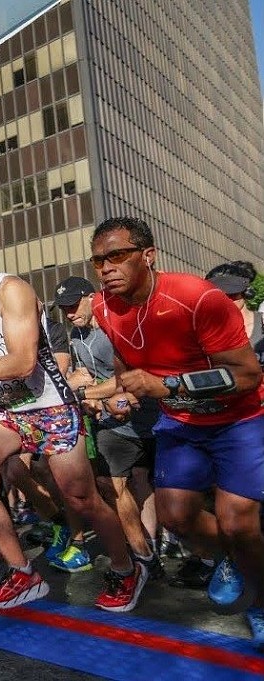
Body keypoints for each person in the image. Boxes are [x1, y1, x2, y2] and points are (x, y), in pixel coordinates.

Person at [0, 226, 144, 612]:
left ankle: (126, 569)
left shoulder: (11, 291)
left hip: (50, 406)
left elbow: (23, 362)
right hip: (6, 410)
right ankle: (22, 572)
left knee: (83, 499)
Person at [89, 217, 264, 650]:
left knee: (237, 522)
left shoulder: (197, 298)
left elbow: (247, 374)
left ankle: (260, 599)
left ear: (148, 256)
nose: (107, 267)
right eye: (99, 260)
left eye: (117, 255)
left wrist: (168, 385)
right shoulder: (102, 307)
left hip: (238, 420)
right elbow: (126, 359)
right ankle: (235, 559)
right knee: (176, 516)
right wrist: (124, 388)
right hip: (181, 424)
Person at [54, 276, 162, 577]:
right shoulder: (76, 335)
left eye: (73, 305)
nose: (69, 313)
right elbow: (83, 374)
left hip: (148, 414)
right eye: (64, 308)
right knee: (110, 483)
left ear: (92, 297)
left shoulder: (115, 326)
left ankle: (158, 541)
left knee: (145, 481)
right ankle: (143, 553)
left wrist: (86, 393)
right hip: (110, 422)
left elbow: (126, 378)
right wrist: (82, 391)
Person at [205, 261, 263, 369]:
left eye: (231, 294)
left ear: (246, 292)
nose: (226, 300)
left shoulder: (262, 322)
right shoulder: (206, 332)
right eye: (218, 296)